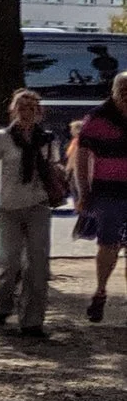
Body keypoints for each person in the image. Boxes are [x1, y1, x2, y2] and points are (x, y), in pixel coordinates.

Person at [0, 88, 65, 338]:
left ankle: (32, 321)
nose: (26, 112)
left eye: (31, 108)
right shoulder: (0, 138)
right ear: (13, 111)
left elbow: (54, 167)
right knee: (9, 263)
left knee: (37, 266)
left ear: (38, 112)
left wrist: (58, 172)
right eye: (21, 107)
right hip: (6, 207)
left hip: (37, 205)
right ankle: (3, 305)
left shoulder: (47, 139)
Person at [72, 71, 127, 321]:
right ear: (113, 92)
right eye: (123, 91)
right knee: (108, 244)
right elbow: (81, 159)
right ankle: (101, 290)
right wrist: (83, 192)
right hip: (107, 192)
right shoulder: (96, 119)